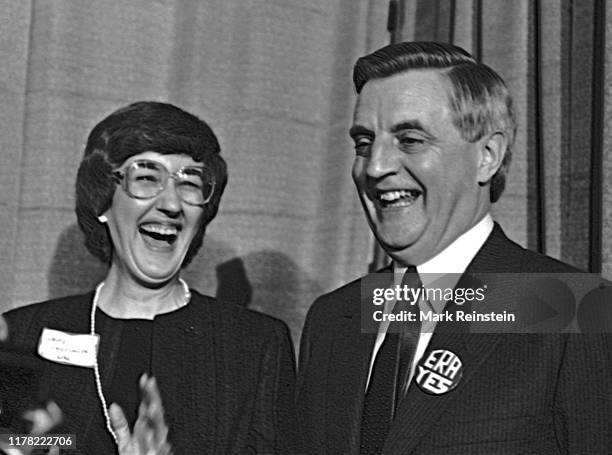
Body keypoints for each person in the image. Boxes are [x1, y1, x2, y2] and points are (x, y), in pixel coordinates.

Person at [296, 41, 612, 454]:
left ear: (487, 156)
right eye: (363, 144)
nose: (375, 167)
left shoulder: (575, 310)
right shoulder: (333, 317)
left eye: (410, 140)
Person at [2, 102, 297, 454]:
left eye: (190, 182)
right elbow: (22, 442)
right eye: (146, 177)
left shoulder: (255, 345)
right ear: (102, 203)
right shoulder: (24, 335)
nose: (171, 204)